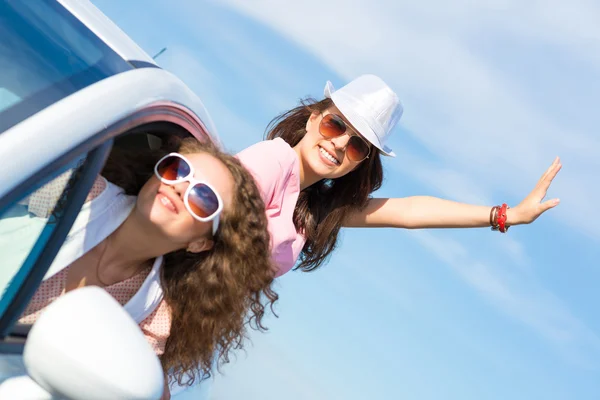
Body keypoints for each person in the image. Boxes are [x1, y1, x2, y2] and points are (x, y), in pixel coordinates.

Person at [18, 138, 277, 398]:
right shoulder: (80, 192)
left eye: (203, 197)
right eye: (177, 170)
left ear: (200, 243)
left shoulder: (151, 311)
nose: (179, 187)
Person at [237, 74, 561, 277]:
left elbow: (409, 211)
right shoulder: (273, 160)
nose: (338, 144)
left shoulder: (314, 210)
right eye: (335, 124)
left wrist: (507, 215)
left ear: (359, 164)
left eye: (356, 147)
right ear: (312, 119)